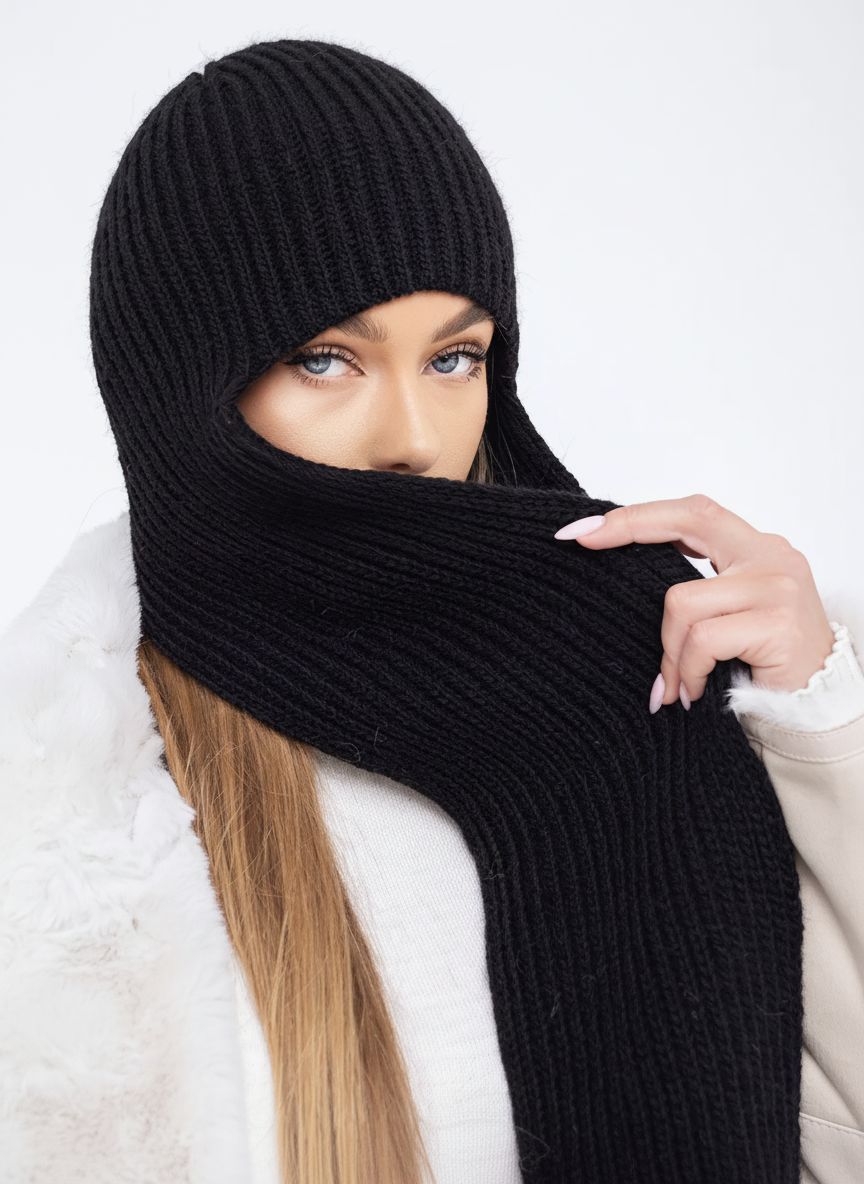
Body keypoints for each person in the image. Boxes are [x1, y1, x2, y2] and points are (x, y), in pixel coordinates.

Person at [1, 38, 862, 1184]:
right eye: (325, 358)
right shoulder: (65, 811)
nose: (414, 435)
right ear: (181, 387)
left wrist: (817, 726)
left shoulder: (641, 670)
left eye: (455, 357)